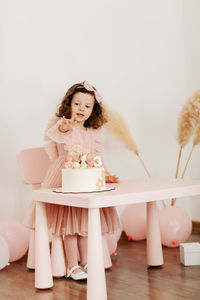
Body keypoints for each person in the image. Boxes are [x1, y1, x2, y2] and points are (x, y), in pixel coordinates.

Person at [25, 80, 120, 280]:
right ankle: (72, 265)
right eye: (77, 104)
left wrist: (105, 174)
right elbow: (57, 135)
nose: (81, 109)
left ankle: (86, 262)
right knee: (69, 223)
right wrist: (65, 127)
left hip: (87, 177)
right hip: (64, 178)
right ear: (68, 104)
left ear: (93, 110)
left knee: (84, 224)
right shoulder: (63, 125)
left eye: (87, 106)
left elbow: (97, 157)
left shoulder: (94, 132)